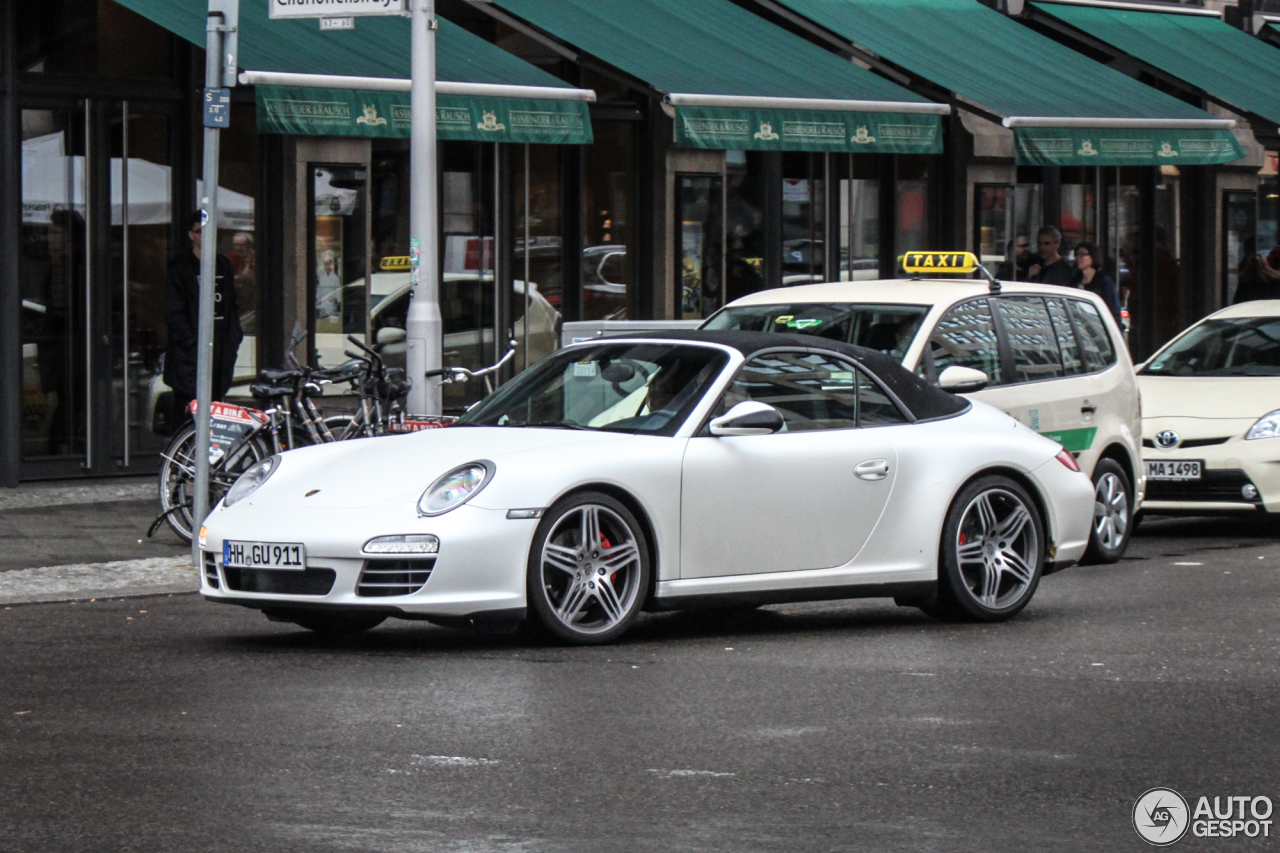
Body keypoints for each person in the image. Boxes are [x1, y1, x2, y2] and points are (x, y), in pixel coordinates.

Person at [163, 210, 244, 433]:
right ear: (191, 235)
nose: (205, 236)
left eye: (210, 231)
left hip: (219, 355)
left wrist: (233, 339)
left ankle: (210, 462)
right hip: (190, 359)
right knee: (186, 417)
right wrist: (192, 346)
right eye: (200, 232)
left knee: (215, 415)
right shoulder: (180, 268)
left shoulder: (223, 265)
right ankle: (180, 461)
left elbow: (232, 306)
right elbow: (175, 313)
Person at [1071, 241, 1124, 329]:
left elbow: (1114, 311)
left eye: (1082, 254)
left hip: (1099, 329)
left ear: (1093, 256)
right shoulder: (1075, 280)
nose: (1078, 258)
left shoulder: (1104, 282)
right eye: (1076, 255)